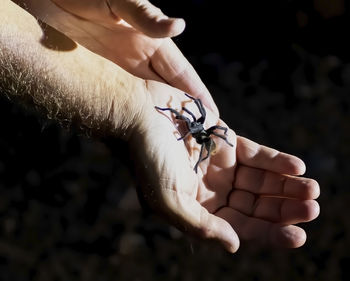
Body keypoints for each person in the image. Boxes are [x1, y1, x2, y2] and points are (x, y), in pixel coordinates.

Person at [0, 0, 320, 253]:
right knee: (190, 121)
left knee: (201, 131)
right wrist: (132, 104)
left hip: (198, 132)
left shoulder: (203, 135)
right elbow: (178, 113)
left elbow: (206, 132)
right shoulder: (189, 123)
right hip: (188, 125)